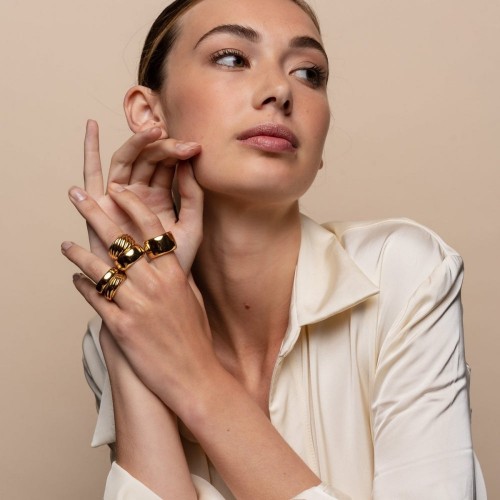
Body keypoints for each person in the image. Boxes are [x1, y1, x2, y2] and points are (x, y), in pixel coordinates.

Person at [61, 0, 486, 498]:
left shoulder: (403, 274)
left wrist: (195, 377)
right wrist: (133, 308)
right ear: (150, 113)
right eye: (232, 58)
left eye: (308, 73)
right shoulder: (126, 324)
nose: (281, 91)